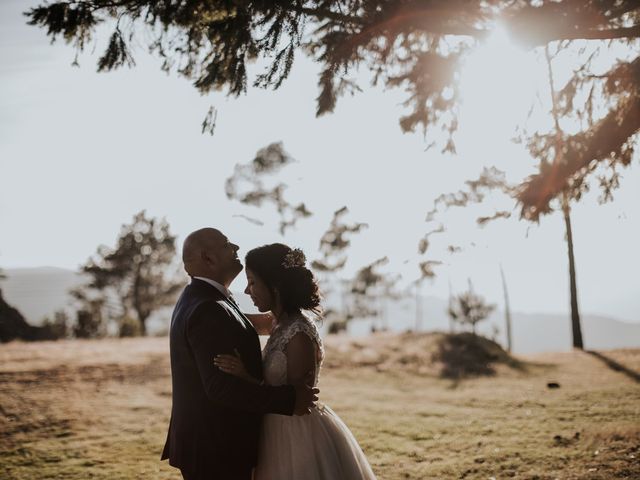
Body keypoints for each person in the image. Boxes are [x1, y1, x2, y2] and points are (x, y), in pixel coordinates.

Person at [161, 229, 318, 480]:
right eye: (226, 245)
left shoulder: (207, 298)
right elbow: (221, 388)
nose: (235, 247)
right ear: (209, 258)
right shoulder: (208, 307)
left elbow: (262, 323)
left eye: (254, 282)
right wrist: (290, 400)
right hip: (215, 449)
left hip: (218, 443)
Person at [214, 243, 377, 479]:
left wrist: (244, 376)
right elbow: (232, 318)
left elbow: (297, 401)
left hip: (294, 432)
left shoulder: (299, 334)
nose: (248, 292)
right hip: (270, 424)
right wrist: (212, 294)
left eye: (252, 282)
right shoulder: (276, 322)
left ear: (275, 286)